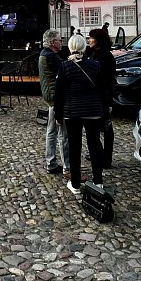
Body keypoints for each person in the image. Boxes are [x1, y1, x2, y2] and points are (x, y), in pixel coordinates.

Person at [54, 33, 106, 195]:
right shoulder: (95, 65)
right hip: (93, 110)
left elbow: (59, 93)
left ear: (70, 47)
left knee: (74, 147)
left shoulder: (64, 66)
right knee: (95, 145)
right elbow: (103, 90)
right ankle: (98, 181)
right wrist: (105, 111)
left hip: (72, 111)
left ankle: (75, 184)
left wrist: (58, 114)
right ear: (84, 47)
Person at [39, 28, 69, 178]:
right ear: (52, 42)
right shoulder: (51, 56)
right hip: (56, 97)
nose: (61, 42)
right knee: (63, 133)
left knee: (51, 131)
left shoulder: (45, 54)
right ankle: (67, 167)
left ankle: (51, 162)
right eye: (59, 40)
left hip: (50, 95)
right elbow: (66, 71)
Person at [86, 28, 116, 168]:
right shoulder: (93, 53)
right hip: (94, 95)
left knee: (107, 128)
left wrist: (109, 101)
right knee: (95, 128)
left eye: (91, 38)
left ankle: (107, 158)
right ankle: (97, 152)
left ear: (98, 40)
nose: (89, 40)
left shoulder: (106, 57)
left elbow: (109, 81)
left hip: (103, 96)